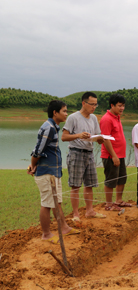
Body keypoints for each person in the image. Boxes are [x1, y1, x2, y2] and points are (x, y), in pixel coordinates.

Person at [28, 100, 79, 244]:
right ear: (55, 112)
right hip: (46, 172)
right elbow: (38, 150)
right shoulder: (49, 128)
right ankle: (46, 234)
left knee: (57, 202)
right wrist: (33, 165)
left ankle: (64, 227)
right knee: (47, 204)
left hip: (53, 171)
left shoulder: (53, 127)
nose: (66, 114)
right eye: (64, 111)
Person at [62, 92, 106, 222]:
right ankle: (76, 214)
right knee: (75, 185)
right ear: (83, 103)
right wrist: (79, 135)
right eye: (91, 104)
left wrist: (99, 139)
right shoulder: (73, 118)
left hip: (89, 153)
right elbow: (64, 137)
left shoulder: (93, 118)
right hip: (76, 153)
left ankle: (90, 211)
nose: (94, 107)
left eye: (95, 104)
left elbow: (97, 135)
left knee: (90, 184)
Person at [100, 94, 131, 211]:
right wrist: (114, 156)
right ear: (112, 105)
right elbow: (106, 139)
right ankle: (108, 204)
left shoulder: (117, 117)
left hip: (120, 155)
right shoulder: (106, 119)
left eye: (123, 105)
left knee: (122, 178)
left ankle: (118, 200)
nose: (122, 108)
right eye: (119, 106)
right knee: (111, 179)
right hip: (111, 156)